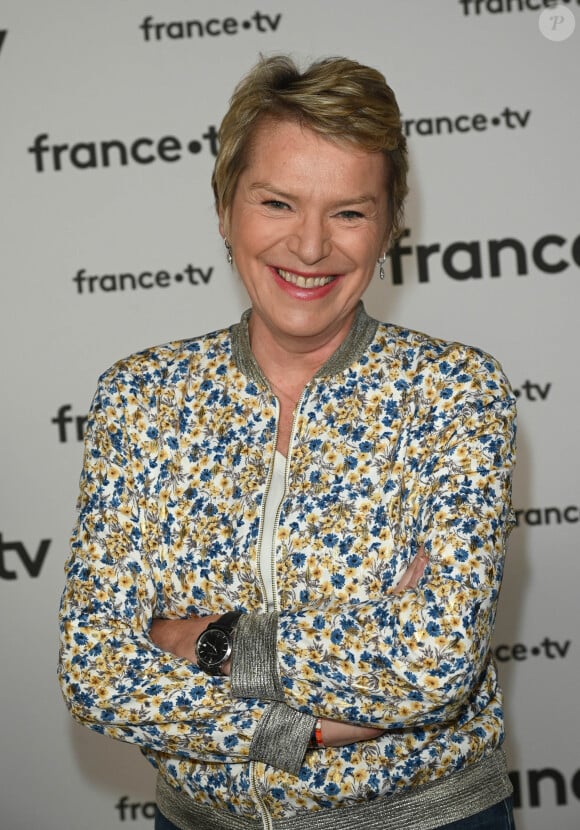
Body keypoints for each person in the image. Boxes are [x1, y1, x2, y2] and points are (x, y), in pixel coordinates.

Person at [58, 55, 517, 830]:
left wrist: (204, 639)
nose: (309, 248)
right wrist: (291, 733)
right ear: (225, 207)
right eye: (277, 202)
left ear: (391, 223)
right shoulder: (142, 397)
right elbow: (97, 670)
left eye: (348, 212)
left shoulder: (455, 393)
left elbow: (434, 663)